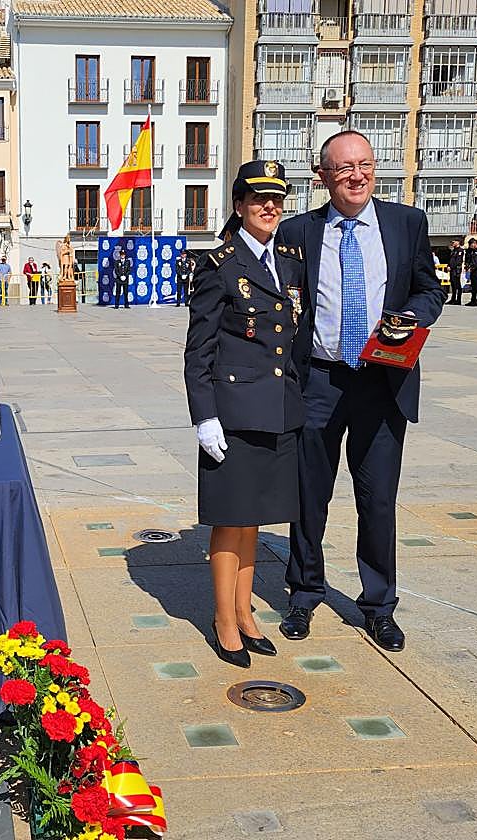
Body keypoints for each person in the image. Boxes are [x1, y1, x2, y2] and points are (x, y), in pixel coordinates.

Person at [275, 130, 445, 652]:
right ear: (322, 176)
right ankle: (303, 594)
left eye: (365, 164)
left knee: (377, 501)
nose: (357, 175)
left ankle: (378, 606)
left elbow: (428, 288)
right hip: (320, 381)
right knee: (309, 498)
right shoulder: (299, 231)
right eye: (344, 167)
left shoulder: (406, 223)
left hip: (381, 381)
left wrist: (413, 316)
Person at [184, 160, 305, 668]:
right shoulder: (219, 265)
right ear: (239, 205)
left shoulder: (290, 261)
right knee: (230, 518)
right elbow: (199, 350)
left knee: (254, 518)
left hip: (277, 410)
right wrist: (204, 416)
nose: (270, 207)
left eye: (276, 199)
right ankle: (224, 619)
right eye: (258, 199)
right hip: (233, 412)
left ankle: (246, 612)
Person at [465, 237, 477, 307]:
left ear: (474, 244)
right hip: (472, 270)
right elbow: (467, 259)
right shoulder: (470, 251)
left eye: (471, 245)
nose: (470, 246)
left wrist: (473, 267)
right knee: (473, 286)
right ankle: (472, 300)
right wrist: (467, 266)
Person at [446, 239, 464, 305]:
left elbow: (458, 261)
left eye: (453, 242)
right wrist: (448, 265)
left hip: (456, 270)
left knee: (458, 285)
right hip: (452, 270)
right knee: (453, 285)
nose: (452, 243)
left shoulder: (460, 251)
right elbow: (450, 260)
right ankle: (453, 299)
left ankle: (458, 300)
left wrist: (451, 267)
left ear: (458, 242)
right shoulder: (453, 250)